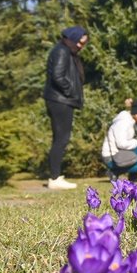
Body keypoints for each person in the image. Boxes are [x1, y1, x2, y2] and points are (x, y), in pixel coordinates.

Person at [43, 25, 89, 190]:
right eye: (79, 42)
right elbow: (58, 76)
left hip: (61, 100)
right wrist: (71, 92)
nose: (81, 46)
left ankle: (55, 176)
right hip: (60, 101)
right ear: (73, 39)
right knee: (61, 139)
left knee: (60, 138)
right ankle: (54, 178)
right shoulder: (62, 51)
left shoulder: (66, 51)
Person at [102, 99, 137, 182]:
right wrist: (135, 142)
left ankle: (133, 176)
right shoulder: (123, 122)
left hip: (122, 152)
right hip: (111, 157)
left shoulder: (135, 123)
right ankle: (114, 171)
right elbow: (121, 144)